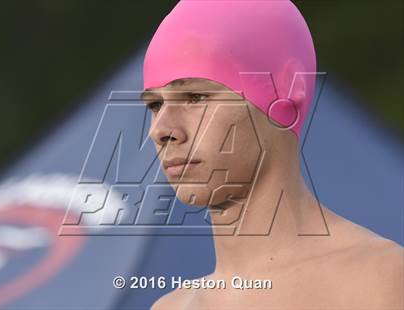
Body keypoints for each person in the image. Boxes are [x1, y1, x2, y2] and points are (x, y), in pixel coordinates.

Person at [141, 1, 403, 309]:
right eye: (155, 105)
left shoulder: (383, 282)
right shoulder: (169, 307)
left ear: (287, 96)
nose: (160, 130)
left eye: (195, 97)